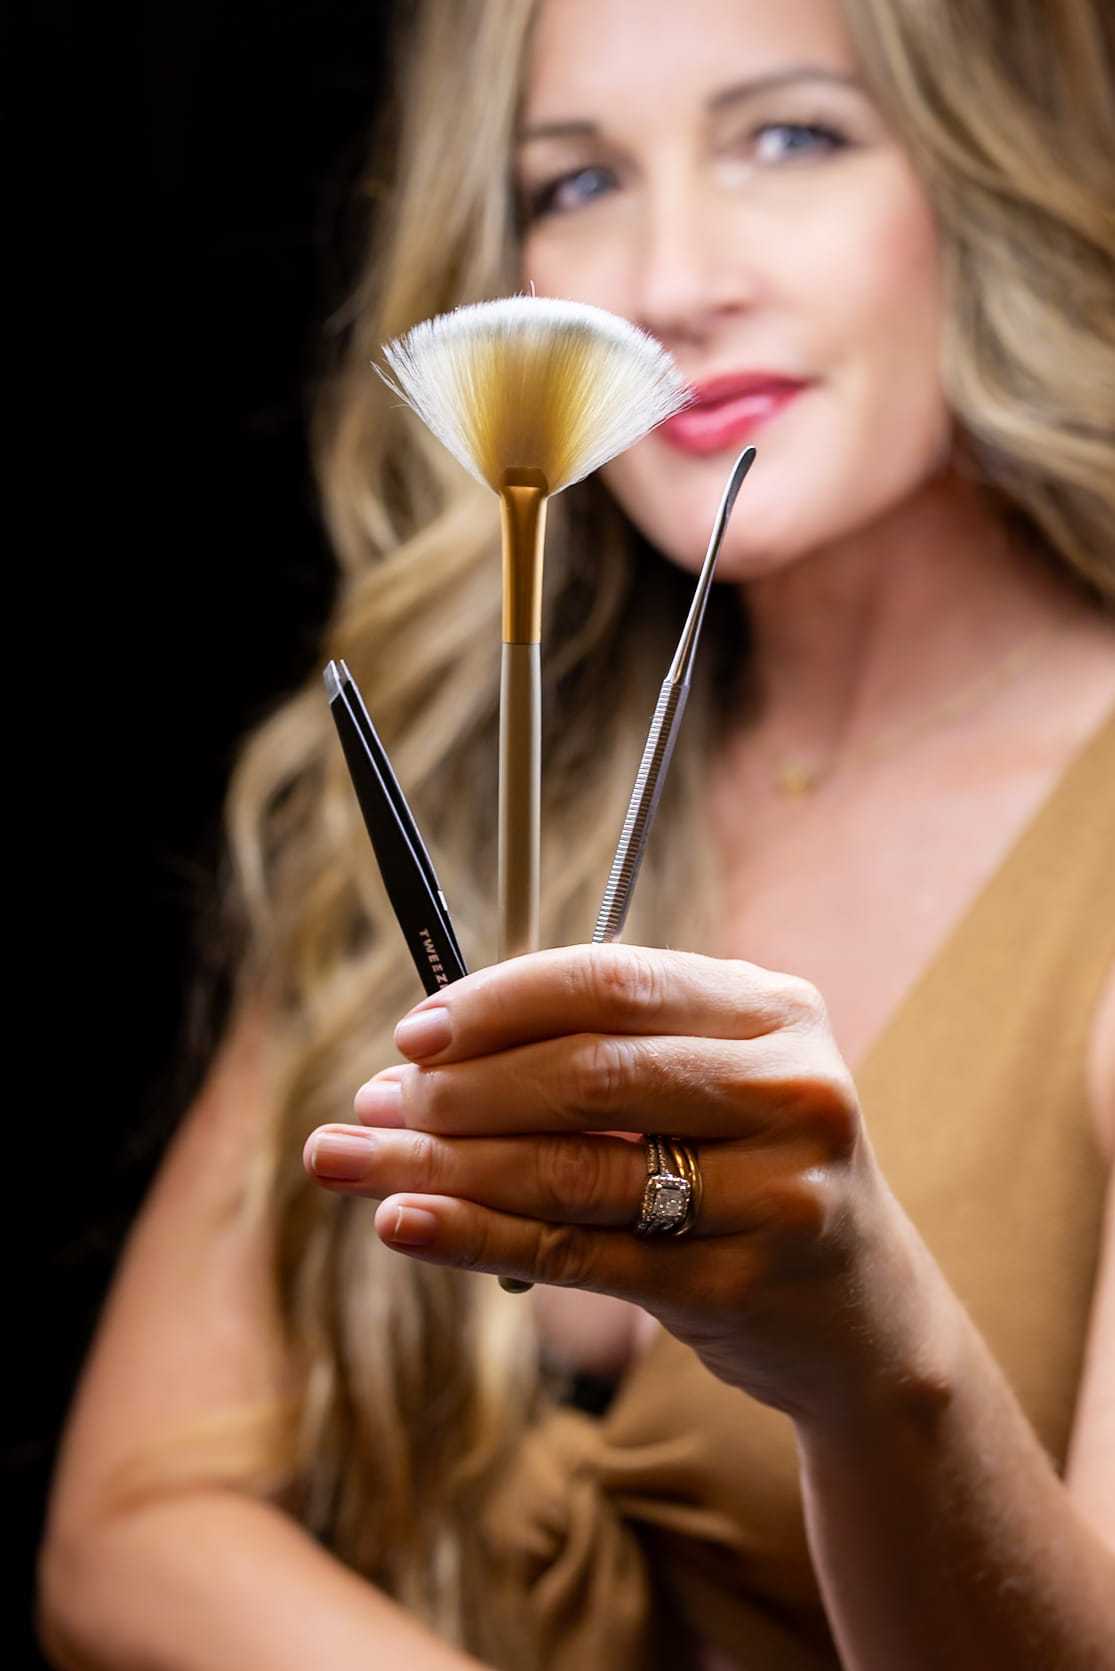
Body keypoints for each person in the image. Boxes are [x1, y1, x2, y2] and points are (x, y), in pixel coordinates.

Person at [40, 0, 1115, 1667]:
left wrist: (864, 1350)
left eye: (790, 138)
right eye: (573, 182)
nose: (668, 279)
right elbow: (129, 1534)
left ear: (998, 169)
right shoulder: (471, 781)